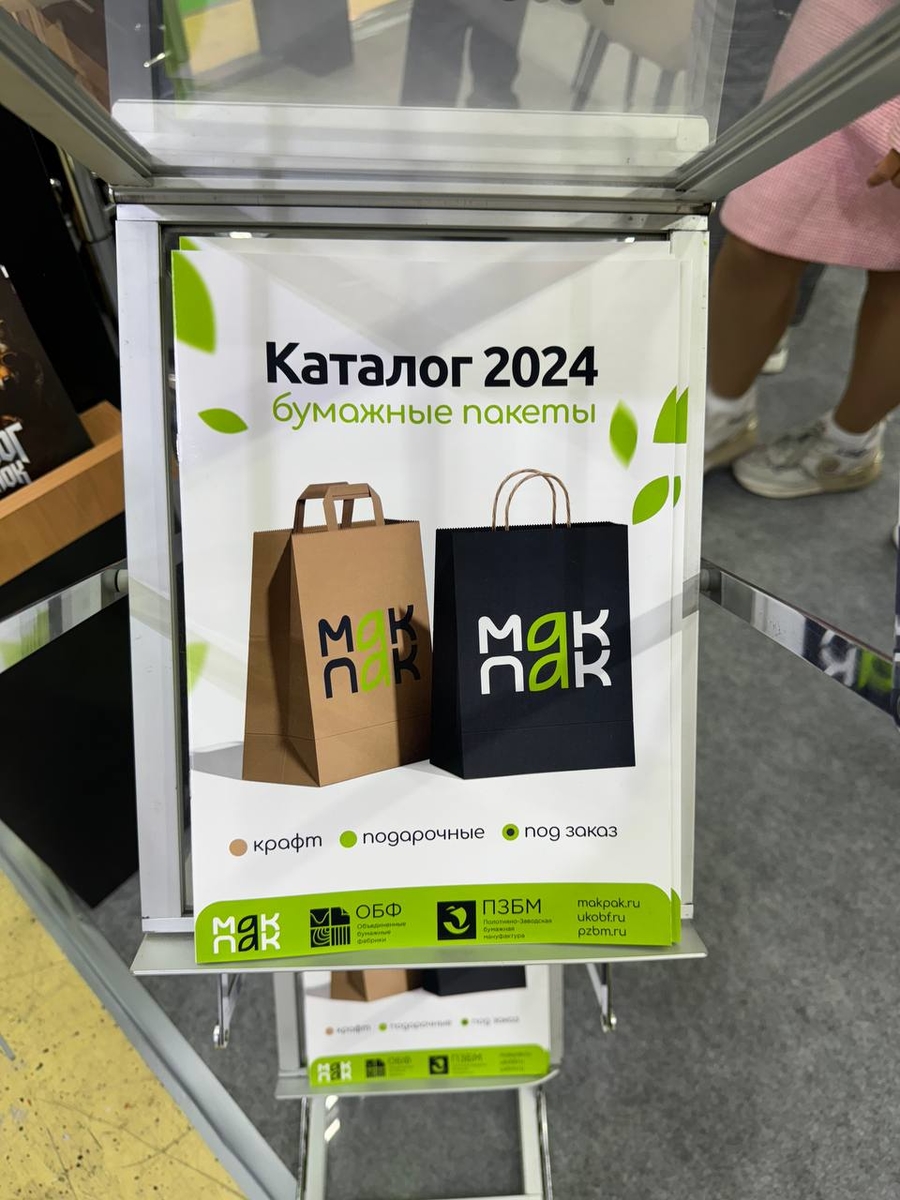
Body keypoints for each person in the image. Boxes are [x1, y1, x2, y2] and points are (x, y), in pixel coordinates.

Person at [704, 0, 900, 499]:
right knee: (757, 234)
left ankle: (848, 445)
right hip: (845, 27)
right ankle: (721, 414)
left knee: (898, 273)